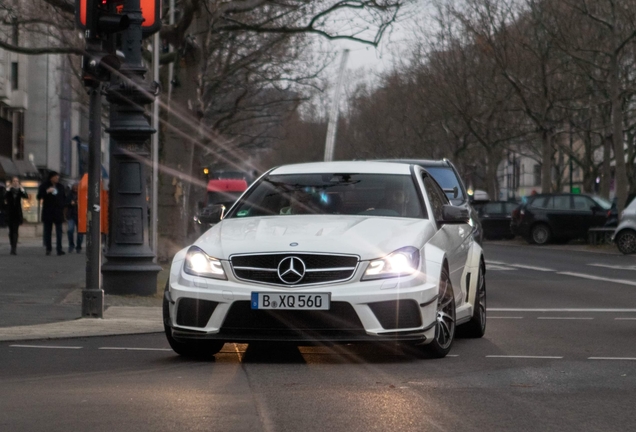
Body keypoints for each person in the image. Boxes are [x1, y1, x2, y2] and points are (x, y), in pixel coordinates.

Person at [37, 171, 66, 256]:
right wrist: (47, 191)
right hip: (48, 212)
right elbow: (38, 196)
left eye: (58, 177)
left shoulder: (60, 186)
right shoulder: (44, 185)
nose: (57, 178)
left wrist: (62, 206)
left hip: (58, 212)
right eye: (56, 177)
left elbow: (63, 197)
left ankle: (59, 249)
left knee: (59, 231)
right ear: (51, 177)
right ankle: (48, 249)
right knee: (47, 232)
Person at [4, 177, 29, 255]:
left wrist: (22, 189)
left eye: (17, 181)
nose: (15, 182)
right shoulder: (9, 191)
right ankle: (12, 245)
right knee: (11, 231)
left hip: (17, 213)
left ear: (19, 182)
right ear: (11, 182)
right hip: (9, 213)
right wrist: (8, 189)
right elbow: (4, 197)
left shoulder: (19, 191)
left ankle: (13, 248)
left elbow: (26, 196)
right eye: (14, 181)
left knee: (15, 231)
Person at [66, 183, 83, 253]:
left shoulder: (82, 194)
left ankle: (78, 246)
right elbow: (65, 203)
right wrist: (70, 203)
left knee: (80, 232)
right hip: (71, 215)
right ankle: (71, 245)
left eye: (77, 187)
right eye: (74, 187)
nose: (75, 189)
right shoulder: (69, 195)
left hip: (80, 216)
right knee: (70, 230)